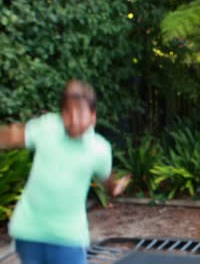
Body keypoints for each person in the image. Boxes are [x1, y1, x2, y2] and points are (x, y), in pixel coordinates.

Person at [0, 80, 130, 264]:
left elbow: (107, 180)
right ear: (62, 114)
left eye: (81, 113)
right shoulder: (47, 127)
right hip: (29, 232)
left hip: (67, 238)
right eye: (68, 113)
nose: (74, 120)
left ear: (93, 116)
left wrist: (115, 188)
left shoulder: (99, 149)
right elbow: (11, 136)